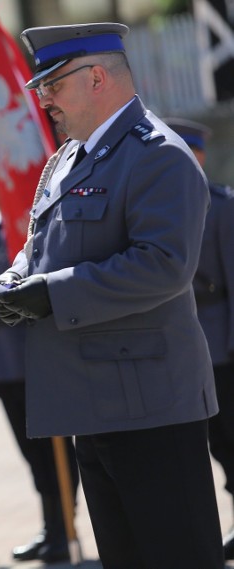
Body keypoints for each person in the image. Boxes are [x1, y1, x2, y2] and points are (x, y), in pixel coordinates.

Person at [0, 23, 223, 567]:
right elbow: (40, 245)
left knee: (177, 554)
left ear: (96, 77)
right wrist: (17, 279)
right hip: (93, 401)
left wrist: (53, 294)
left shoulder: (158, 154)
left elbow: (164, 265)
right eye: (39, 85)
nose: (42, 98)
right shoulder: (65, 160)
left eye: (52, 83)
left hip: (152, 404)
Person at [0, 141, 77, 563]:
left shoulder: (28, 226)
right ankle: (50, 523)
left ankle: (64, 525)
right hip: (6, 362)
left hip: (35, 356)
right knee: (31, 454)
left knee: (55, 450)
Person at [163, 118, 234, 558]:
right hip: (182, 345)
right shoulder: (161, 208)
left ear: (201, 157)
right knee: (215, 442)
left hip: (222, 344)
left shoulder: (223, 207)